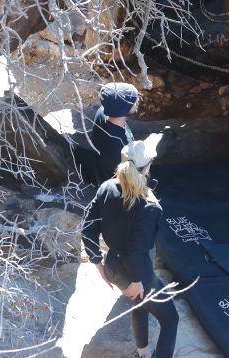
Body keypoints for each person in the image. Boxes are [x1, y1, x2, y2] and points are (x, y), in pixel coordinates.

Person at [81, 138, 178, 358]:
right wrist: (137, 281)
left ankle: (142, 353)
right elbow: (137, 251)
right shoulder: (148, 206)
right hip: (138, 273)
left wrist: (98, 264)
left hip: (114, 267)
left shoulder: (106, 187)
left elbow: (87, 229)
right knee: (170, 319)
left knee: (140, 306)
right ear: (148, 167)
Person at [91, 82, 140, 183]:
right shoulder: (121, 146)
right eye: (134, 101)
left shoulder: (104, 110)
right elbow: (128, 180)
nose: (138, 100)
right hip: (118, 184)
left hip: (101, 169)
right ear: (123, 110)